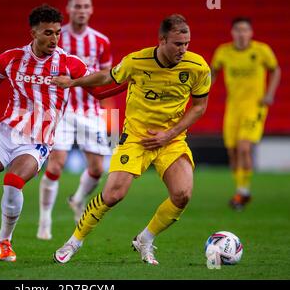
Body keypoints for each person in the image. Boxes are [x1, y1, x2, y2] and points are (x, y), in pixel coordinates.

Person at [0, 4, 125, 262]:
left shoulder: (68, 64)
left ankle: (4, 241)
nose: (54, 39)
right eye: (48, 33)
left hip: (37, 141)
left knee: (12, 183)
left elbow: (100, 91)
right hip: (6, 133)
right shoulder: (11, 58)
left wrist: (131, 80)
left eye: (57, 33)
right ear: (33, 33)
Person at [52, 14, 211, 265]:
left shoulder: (198, 66)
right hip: (135, 137)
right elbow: (106, 77)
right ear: (161, 40)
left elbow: (199, 107)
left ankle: (145, 239)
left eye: (187, 43)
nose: (183, 49)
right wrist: (73, 82)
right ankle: (74, 241)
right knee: (113, 195)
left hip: (171, 139)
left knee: (182, 194)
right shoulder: (137, 61)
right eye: (178, 44)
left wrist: (169, 134)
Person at [37, 0, 113, 241]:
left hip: (91, 111)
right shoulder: (55, 36)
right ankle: (44, 220)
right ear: (69, 9)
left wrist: (112, 121)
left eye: (86, 6)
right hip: (61, 110)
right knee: (56, 164)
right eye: (77, 6)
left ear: (91, 10)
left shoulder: (101, 42)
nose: (81, 10)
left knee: (98, 168)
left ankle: (77, 199)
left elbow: (107, 80)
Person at [211, 17, 281, 211]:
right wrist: (204, 89)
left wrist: (269, 94)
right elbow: (213, 72)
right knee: (232, 151)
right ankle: (241, 190)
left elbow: (275, 70)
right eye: (238, 30)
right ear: (232, 33)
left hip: (254, 106)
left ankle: (243, 191)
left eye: (245, 30)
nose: (241, 34)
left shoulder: (261, 50)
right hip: (232, 107)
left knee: (243, 147)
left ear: (251, 33)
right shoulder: (223, 52)